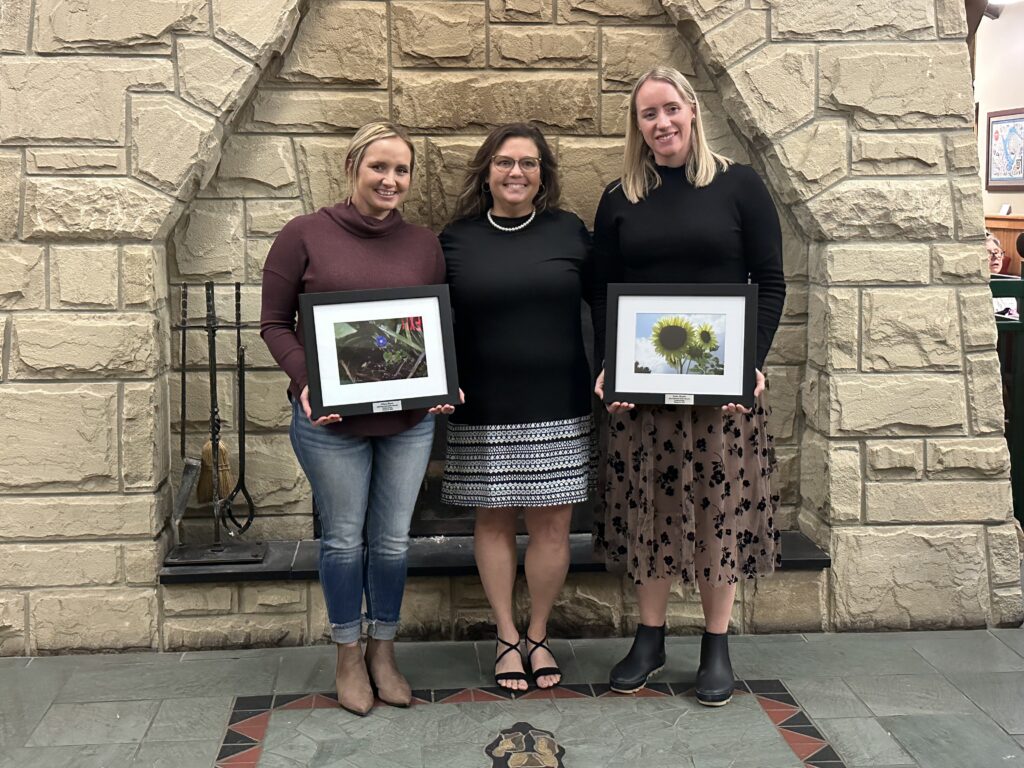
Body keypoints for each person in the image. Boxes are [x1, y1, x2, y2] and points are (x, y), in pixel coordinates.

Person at [591, 66, 786, 706]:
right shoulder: (621, 196)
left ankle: (715, 644)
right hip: (643, 393)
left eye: (670, 109)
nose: (662, 123)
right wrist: (609, 367)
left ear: (692, 110)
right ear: (637, 125)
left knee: (716, 512)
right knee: (648, 508)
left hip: (722, 393)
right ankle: (648, 640)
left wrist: (751, 362)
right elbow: (602, 292)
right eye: (648, 114)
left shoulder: (740, 185)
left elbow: (770, 281)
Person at [260, 121, 455, 716]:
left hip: (409, 424)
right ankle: (347, 654)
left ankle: (383, 651)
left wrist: (442, 380)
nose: (390, 179)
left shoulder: (424, 244)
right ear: (353, 168)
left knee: (393, 542)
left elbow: (432, 326)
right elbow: (272, 324)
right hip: (331, 428)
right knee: (344, 541)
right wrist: (306, 381)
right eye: (379, 167)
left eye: (401, 170)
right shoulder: (304, 235)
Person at [440, 123, 595, 691]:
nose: (515, 173)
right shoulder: (454, 240)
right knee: (494, 520)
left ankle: (538, 633)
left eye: (528, 164)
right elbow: (429, 319)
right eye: (505, 162)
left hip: (559, 400)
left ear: (543, 177)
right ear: (487, 172)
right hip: (482, 403)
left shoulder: (570, 232)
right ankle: (506, 637)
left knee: (553, 526)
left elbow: (608, 303)